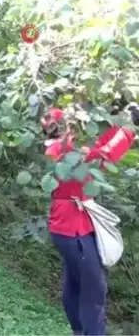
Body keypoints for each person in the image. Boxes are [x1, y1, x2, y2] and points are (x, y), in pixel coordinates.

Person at [41, 107, 136, 336]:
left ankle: (79, 330)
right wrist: (128, 126)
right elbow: (105, 153)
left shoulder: (62, 147)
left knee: (76, 281)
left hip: (68, 225)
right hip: (74, 228)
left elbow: (97, 143)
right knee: (94, 289)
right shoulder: (66, 151)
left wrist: (116, 122)